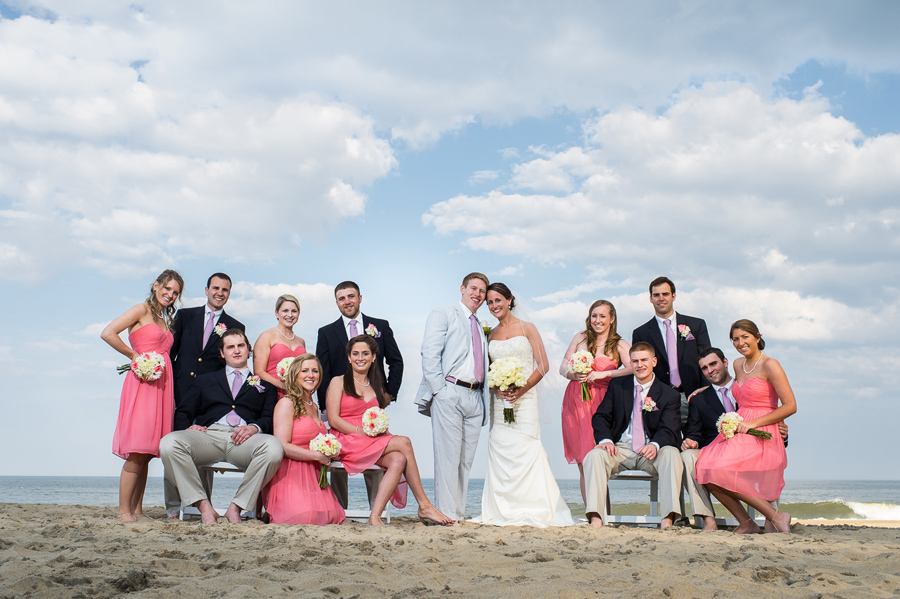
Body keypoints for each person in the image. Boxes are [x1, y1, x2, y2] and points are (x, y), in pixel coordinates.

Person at [474, 283, 574, 527]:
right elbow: (487, 369)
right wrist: (498, 388)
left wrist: (521, 390)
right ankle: (503, 509)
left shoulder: (527, 328)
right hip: (500, 401)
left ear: (510, 300)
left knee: (527, 448)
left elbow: (543, 365)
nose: (494, 305)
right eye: (489, 302)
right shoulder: (490, 333)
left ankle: (535, 507)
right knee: (501, 448)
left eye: (498, 300)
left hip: (525, 400)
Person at [160, 329, 283, 524]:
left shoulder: (265, 385)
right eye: (230, 347)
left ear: (248, 350)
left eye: (240, 345)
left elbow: (269, 418)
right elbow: (183, 411)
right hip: (208, 437)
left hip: (245, 441)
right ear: (222, 353)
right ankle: (204, 506)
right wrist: (188, 428)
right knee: (168, 443)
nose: (236, 350)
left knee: (274, 448)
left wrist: (254, 427)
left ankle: (236, 507)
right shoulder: (204, 380)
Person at [327, 335, 453, 526]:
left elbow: (375, 418)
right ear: (349, 357)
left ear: (374, 357)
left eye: (365, 354)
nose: (360, 358)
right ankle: (424, 505)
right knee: (405, 442)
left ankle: (374, 516)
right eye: (355, 354)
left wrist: (377, 430)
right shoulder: (338, 382)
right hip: (346, 438)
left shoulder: (375, 385)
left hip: (368, 440)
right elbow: (333, 420)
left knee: (399, 458)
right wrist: (361, 432)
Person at [695, 320, 796, 534]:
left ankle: (775, 517)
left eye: (745, 337)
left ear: (758, 337)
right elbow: (732, 387)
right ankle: (748, 522)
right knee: (705, 468)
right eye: (735, 339)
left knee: (715, 468)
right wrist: (705, 389)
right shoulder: (737, 364)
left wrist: (753, 424)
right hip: (741, 427)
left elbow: (790, 406)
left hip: (762, 429)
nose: (740, 343)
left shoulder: (771, 365)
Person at [101, 270, 184, 523]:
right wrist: (134, 356)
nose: (170, 295)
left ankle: (137, 510)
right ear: (156, 285)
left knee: (148, 452)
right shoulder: (141, 310)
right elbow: (108, 332)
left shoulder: (164, 318)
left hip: (161, 387)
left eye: (175, 293)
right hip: (142, 385)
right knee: (137, 449)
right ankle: (124, 511)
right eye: (167, 288)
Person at [316, 281, 403, 508]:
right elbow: (323, 372)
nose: (347, 301)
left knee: (377, 453)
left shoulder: (380, 325)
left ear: (360, 298)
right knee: (338, 463)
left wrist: (389, 394)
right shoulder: (326, 332)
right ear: (336, 302)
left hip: (372, 404)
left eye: (351, 296)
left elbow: (395, 361)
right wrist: (326, 407)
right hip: (339, 408)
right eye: (342, 298)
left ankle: (375, 504)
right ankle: (339, 508)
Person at [166, 272, 244, 518]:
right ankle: (172, 508)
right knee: (175, 442)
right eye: (216, 288)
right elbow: (171, 353)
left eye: (225, 289)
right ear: (207, 289)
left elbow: (229, 367)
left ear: (229, 294)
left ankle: (202, 505)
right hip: (179, 391)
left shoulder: (235, 326)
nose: (220, 293)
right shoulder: (185, 316)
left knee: (201, 446)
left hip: (209, 398)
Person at [415, 272, 491, 521]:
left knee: (464, 461)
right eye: (473, 288)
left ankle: (456, 513)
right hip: (450, 392)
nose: (477, 294)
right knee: (448, 457)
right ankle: (446, 514)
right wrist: (439, 390)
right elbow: (430, 352)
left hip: (475, 396)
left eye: (482, 291)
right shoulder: (444, 312)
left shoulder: (480, 325)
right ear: (462, 288)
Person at [583, 342, 684, 529]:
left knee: (671, 454)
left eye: (644, 360)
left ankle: (668, 519)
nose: (640, 365)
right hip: (620, 449)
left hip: (651, 452)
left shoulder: (669, 395)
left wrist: (655, 444)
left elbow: (670, 428)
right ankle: (596, 518)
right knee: (594, 456)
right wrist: (605, 440)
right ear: (630, 363)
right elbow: (601, 416)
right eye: (635, 361)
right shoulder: (619, 386)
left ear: (654, 361)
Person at [559, 300, 633, 503]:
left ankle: (603, 511)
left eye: (602, 316)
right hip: (575, 402)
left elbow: (633, 367)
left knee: (595, 458)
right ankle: (592, 512)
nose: (597, 320)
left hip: (601, 403)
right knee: (583, 461)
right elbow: (562, 366)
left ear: (612, 319)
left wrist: (605, 374)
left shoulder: (618, 344)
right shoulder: (580, 337)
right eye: (594, 315)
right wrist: (572, 375)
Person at [263, 354, 345, 525]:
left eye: (315, 371)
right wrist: (316, 456)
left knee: (332, 516)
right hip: (291, 473)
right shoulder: (287, 403)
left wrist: (330, 452)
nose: (310, 375)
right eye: (305, 370)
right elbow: (282, 446)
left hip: (314, 474)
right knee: (304, 518)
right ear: (295, 374)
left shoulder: (313, 406)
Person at [632, 276, 711, 424]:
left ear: (674, 296)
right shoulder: (641, 333)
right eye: (656, 295)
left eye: (665, 294)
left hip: (694, 396)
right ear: (650, 298)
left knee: (695, 443)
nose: (661, 298)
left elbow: (707, 360)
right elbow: (640, 368)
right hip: (660, 400)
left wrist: (706, 390)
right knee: (668, 445)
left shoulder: (696, 325)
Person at [253, 294, 307, 398]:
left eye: (294, 311)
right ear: (277, 313)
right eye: (285, 311)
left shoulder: (301, 341)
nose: (290, 315)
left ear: (298, 314)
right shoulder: (267, 336)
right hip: (274, 392)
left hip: (298, 393)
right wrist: (282, 385)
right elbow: (259, 371)